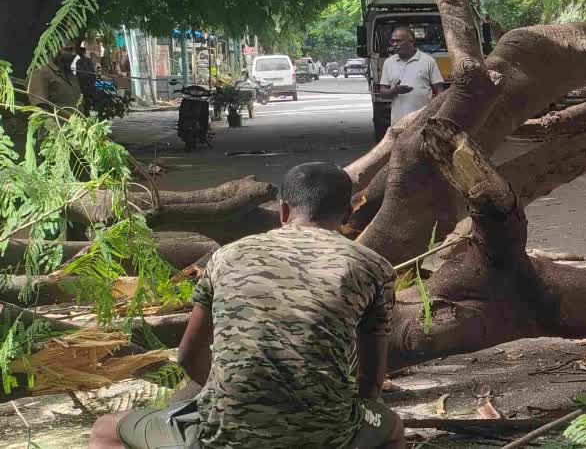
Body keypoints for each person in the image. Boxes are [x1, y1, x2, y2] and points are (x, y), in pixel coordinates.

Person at [89, 162, 405, 449]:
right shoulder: (373, 267)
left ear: (283, 211)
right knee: (392, 430)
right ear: (348, 215)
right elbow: (371, 382)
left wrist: (228, 398)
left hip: (223, 434)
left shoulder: (227, 256)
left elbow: (187, 356)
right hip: (328, 434)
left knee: (107, 429)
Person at [378, 27, 445, 123]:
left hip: (423, 121)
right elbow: (382, 93)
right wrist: (394, 90)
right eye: (392, 41)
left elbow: (439, 91)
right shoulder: (389, 62)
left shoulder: (428, 61)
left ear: (411, 41)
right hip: (398, 122)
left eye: (399, 41)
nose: (395, 44)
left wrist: (436, 113)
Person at [27, 41, 82, 111]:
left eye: (75, 50)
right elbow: (40, 112)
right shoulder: (40, 73)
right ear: (53, 50)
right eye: (69, 50)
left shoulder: (70, 74)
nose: (74, 54)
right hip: (58, 121)